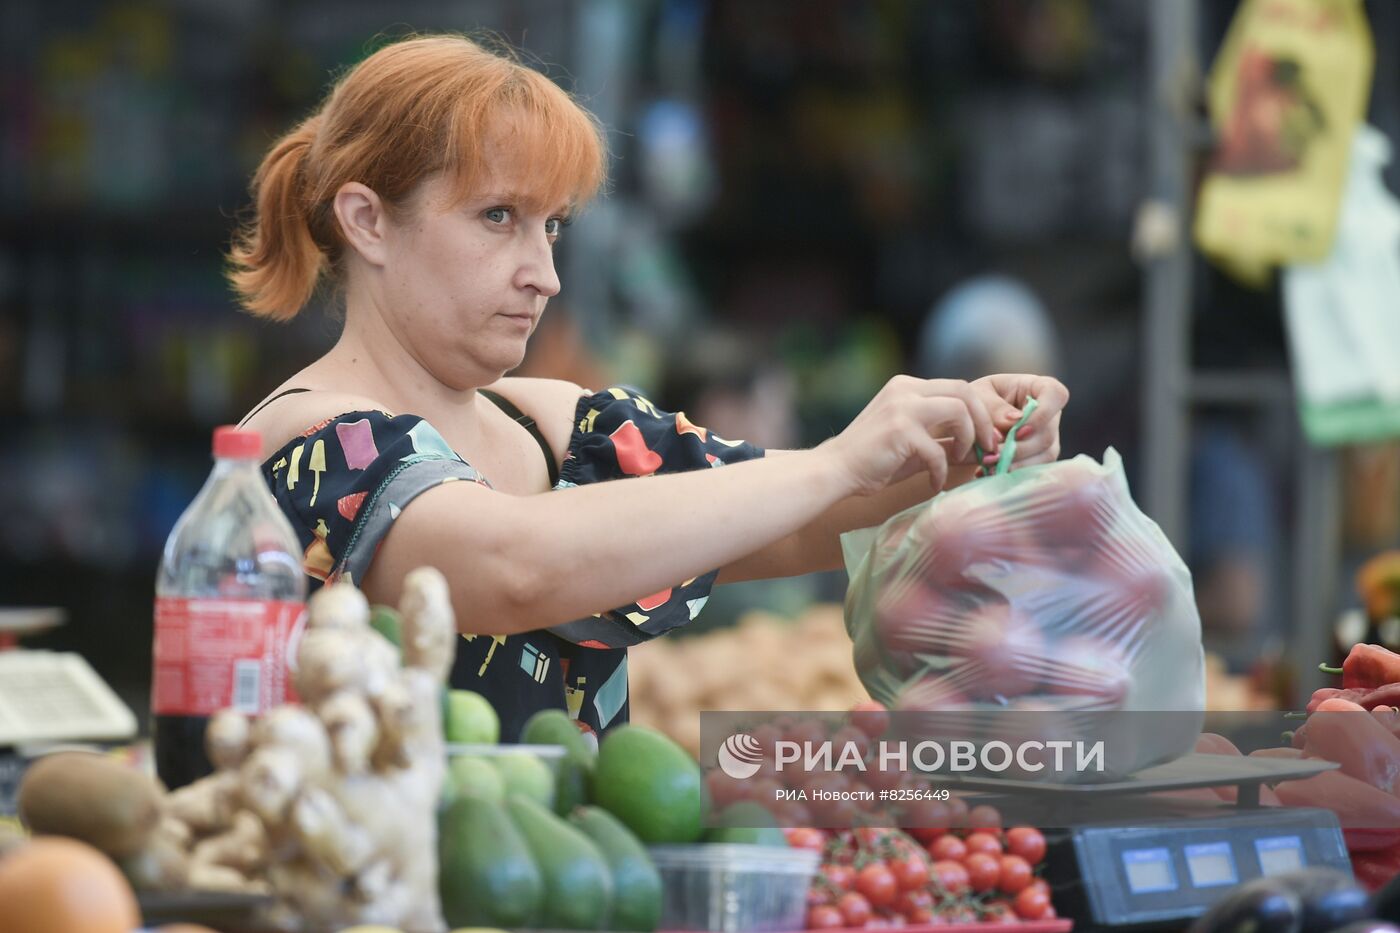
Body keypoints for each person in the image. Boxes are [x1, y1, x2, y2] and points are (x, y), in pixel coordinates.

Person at [227, 34, 1070, 743]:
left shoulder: (549, 419)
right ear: (367, 220)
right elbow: (516, 564)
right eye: (498, 217)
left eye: (551, 225)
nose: (545, 275)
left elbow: (774, 523)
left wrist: (966, 452)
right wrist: (835, 460)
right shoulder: (308, 446)